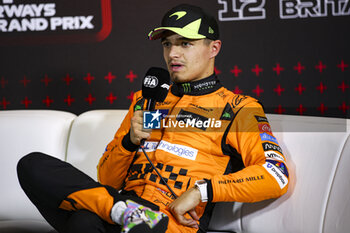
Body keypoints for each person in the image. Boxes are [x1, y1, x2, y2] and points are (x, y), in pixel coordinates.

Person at [17, 4, 289, 233]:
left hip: (170, 224)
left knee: (84, 221)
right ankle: (120, 210)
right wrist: (129, 143)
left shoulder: (239, 107)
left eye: (185, 44)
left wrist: (201, 192)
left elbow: (275, 175)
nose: (173, 54)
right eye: (167, 44)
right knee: (32, 165)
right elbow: (108, 181)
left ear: (213, 48)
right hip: (123, 209)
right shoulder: (145, 100)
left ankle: (119, 211)